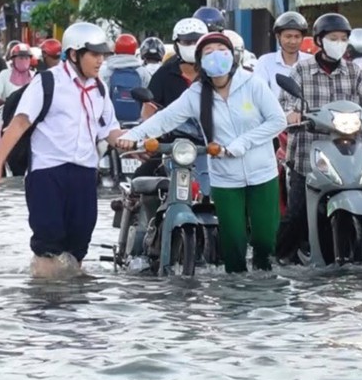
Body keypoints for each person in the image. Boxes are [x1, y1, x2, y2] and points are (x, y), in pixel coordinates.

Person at [118, 32, 287, 273]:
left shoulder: (252, 84)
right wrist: (132, 137)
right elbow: (165, 119)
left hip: (262, 172)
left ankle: (265, 284)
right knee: (233, 243)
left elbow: (277, 121)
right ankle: (235, 297)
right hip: (225, 177)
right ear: (200, 62)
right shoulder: (196, 94)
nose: (216, 56)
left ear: (232, 56)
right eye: (208, 53)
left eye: (221, 50)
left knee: (264, 238)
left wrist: (241, 144)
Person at [0, 22, 123, 278]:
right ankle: (45, 304)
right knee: (48, 243)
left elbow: (109, 130)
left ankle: (74, 308)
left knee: (79, 245)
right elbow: (19, 124)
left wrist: (135, 142)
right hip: (47, 174)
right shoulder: (47, 82)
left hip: (84, 174)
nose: (100, 60)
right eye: (94, 54)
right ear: (73, 54)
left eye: (103, 54)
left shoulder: (100, 88)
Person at [276, 13, 362, 262]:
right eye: (333, 38)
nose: (338, 42)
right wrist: (291, 113)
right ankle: (279, 261)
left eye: (343, 38)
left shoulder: (353, 71)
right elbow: (286, 100)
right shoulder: (302, 69)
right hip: (309, 153)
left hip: (351, 151)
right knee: (297, 213)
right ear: (319, 41)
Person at [135, 18, 209, 179]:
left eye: (197, 41)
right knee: (141, 179)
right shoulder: (164, 74)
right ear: (176, 44)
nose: (193, 46)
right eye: (187, 41)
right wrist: (149, 136)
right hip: (172, 147)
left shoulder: (215, 72)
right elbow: (148, 111)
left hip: (212, 145)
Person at [254, 11, 312, 97]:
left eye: (297, 37)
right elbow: (259, 93)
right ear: (278, 37)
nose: (293, 41)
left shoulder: (311, 61)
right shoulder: (265, 62)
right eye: (288, 36)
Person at [99, 33, 152, 123]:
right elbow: (150, 97)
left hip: (111, 122)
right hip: (136, 123)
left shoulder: (105, 71)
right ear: (135, 50)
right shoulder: (143, 72)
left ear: (115, 48)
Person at [0, 43, 35, 107]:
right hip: (8, 112)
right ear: (13, 59)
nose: (24, 61)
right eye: (21, 58)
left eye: (26, 58)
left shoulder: (35, 76)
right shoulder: (4, 74)